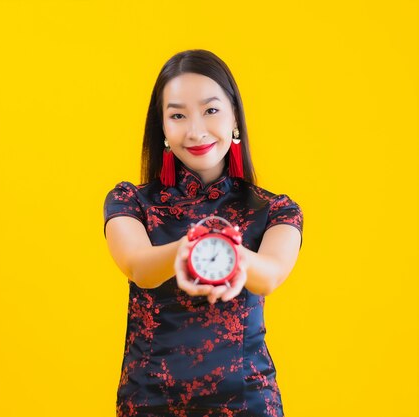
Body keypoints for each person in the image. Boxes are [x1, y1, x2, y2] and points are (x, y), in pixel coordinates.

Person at [102, 49, 304, 417]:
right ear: (162, 128)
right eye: (177, 115)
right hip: (149, 401)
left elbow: (270, 274)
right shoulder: (129, 201)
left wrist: (229, 251)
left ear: (234, 119)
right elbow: (139, 267)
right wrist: (189, 249)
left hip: (247, 401)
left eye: (211, 110)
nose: (195, 131)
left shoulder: (274, 210)